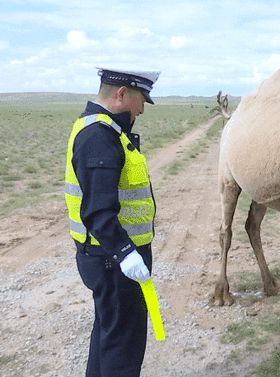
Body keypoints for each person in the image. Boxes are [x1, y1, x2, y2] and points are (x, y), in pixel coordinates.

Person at [64, 67, 161, 377]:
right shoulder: (99, 135)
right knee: (123, 348)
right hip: (113, 261)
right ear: (121, 94)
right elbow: (97, 210)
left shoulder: (102, 129)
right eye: (140, 99)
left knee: (109, 335)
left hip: (108, 259)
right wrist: (124, 252)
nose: (142, 108)